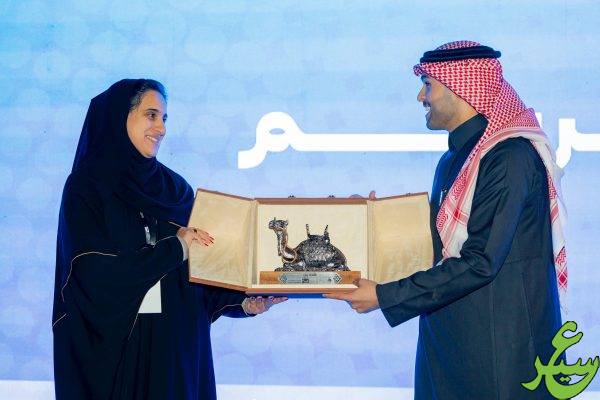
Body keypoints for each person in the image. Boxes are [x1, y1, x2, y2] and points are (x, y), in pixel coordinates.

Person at [325, 41, 567, 399]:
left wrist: (385, 296)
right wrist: (368, 220)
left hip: (501, 355)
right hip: (450, 344)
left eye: (428, 84)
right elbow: (438, 240)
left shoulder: (508, 157)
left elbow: (480, 260)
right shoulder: (456, 159)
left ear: (460, 87)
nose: (421, 97)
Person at [52, 79, 286, 400]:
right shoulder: (87, 187)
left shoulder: (175, 190)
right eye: (151, 115)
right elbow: (89, 274)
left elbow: (200, 272)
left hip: (176, 349)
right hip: (120, 353)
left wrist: (242, 302)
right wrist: (174, 248)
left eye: (164, 118)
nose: (161, 128)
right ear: (120, 116)